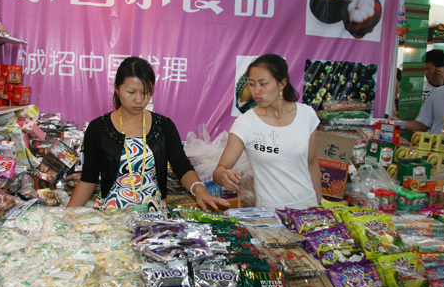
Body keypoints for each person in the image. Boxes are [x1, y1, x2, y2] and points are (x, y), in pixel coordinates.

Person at [67, 57, 229, 211]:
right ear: (117, 88)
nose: (139, 99)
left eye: (146, 92)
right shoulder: (98, 128)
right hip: (112, 216)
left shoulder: (164, 126)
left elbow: (182, 168)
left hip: (154, 216)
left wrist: (200, 190)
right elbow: (89, 179)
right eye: (131, 92)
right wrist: (66, 215)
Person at [213, 54, 322, 211]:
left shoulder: (307, 115)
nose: (256, 91)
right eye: (251, 84)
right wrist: (224, 176)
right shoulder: (245, 123)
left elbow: (312, 163)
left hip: (308, 209)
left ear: (282, 83)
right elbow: (220, 170)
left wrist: (319, 207)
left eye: (263, 84)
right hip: (271, 214)